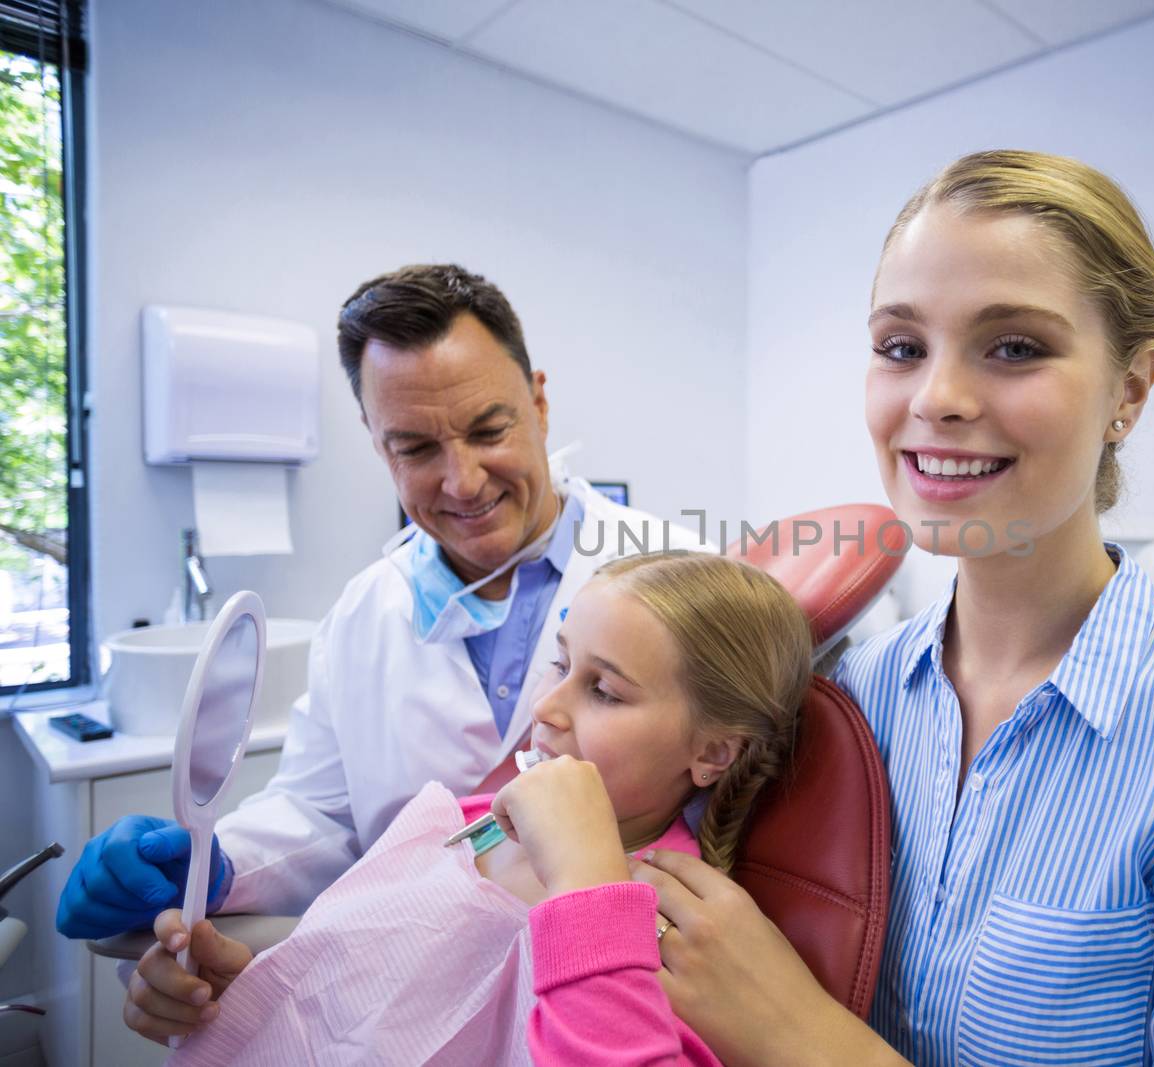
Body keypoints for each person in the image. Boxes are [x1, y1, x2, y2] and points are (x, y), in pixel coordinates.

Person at [632, 151, 1154, 1065]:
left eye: (1014, 346)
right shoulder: (849, 696)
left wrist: (798, 1033)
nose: (937, 398)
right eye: (901, 347)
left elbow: (793, 1021)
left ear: (1130, 388)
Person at [57, 264, 695, 942]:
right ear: (375, 438)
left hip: (626, 969)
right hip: (431, 977)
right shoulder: (364, 613)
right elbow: (319, 814)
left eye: (489, 431)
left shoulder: (682, 570)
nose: (463, 480)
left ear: (538, 405)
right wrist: (211, 863)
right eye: (416, 447)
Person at [128, 551, 812, 1063]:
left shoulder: (675, 931)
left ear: (714, 752)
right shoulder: (467, 820)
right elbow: (387, 1001)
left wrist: (585, 881)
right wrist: (261, 998)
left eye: (604, 690)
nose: (545, 707)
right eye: (560, 662)